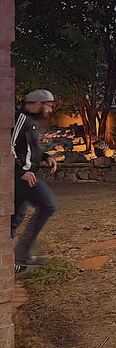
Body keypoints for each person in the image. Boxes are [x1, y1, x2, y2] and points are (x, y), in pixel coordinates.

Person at [11, 89, 59, 269]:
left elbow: (29, 149)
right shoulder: (21, 119)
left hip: (25, 176)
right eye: (49, 105)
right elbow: (9, 146)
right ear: (39, 103)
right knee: (49, 205)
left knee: (14, 219)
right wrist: (19, 172)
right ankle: (22, 254)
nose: (50, 110)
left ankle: (11, 261)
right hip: (23, 178)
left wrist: (46, 156)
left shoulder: (32, 122)